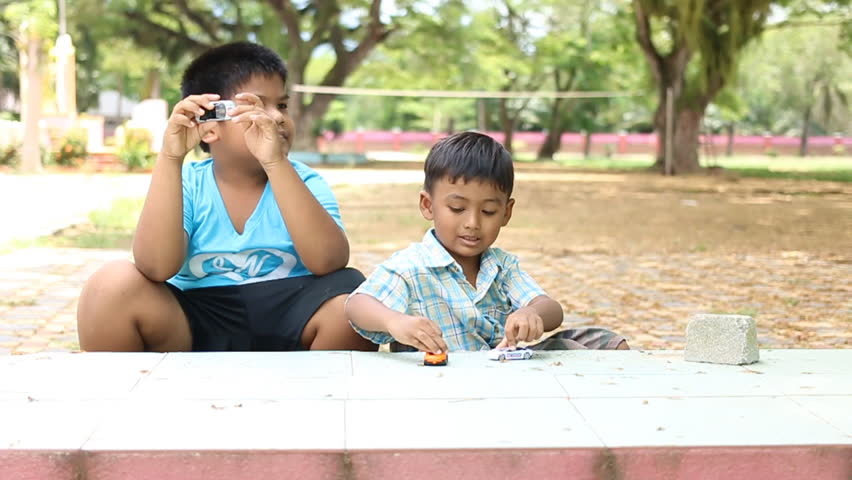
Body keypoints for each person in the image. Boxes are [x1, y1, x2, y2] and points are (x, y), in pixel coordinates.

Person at [77, 42, 375, 352]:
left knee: (354, 304)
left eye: (282, 105)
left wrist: (275, 163)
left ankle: (319, 393)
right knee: (111, 284)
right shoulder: (187, 183)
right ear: (209, 128)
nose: (275, 117)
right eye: (255, 106)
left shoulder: (305, 181)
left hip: (292, 313)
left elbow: (330, 261)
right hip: (197, 319)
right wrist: (170, 157)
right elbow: (155, 267)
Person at [345, 132, 628, 353]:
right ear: (428, 205)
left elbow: (551, 308)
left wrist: (531, 313)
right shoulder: (411, 266)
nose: (472, 223)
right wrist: (395, 321)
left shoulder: (501, 267)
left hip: (503, 367)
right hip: (437, 374)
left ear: (506, 212)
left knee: (604, 343)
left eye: (488, 211)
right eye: (457, 209)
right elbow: (357, 305)